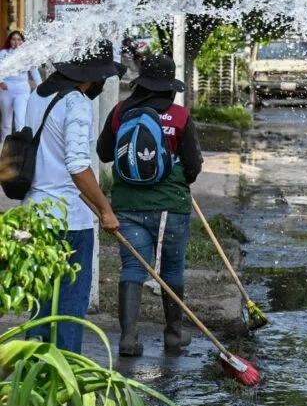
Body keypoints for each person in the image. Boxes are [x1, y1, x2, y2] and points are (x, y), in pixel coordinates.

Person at [97, 53, 203, 356]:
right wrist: (183, 178)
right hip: (171, 205)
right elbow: (194, 164)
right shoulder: (180, 116)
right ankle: (173, 334)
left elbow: (104, 153)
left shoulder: (119, 112)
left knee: (132, 268)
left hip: (127, 205)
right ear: (169, 86)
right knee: (172, 269)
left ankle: (128, 339)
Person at [24, 40, 124, 354]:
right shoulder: (76, 102)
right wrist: (105, 210)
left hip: (35, 214)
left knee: (40, 300)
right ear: (91, 77)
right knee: (69, 303)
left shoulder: (37, 95)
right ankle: (66, 373)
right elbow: (78, 166)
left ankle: (35, 374)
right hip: (69, 219)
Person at [0, 30, 43, 144]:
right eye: (13, 39)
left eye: (19, 39)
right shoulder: (4, 53)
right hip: (6, 89)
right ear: (10, 41)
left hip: (22, 90)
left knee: (20, 119)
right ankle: (5, 145)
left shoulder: (27, 55)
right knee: (6, 121)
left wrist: (42, 88)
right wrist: (1, 81)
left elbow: (35, 73)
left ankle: (19, 147)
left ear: (23, 42)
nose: (16, 42)